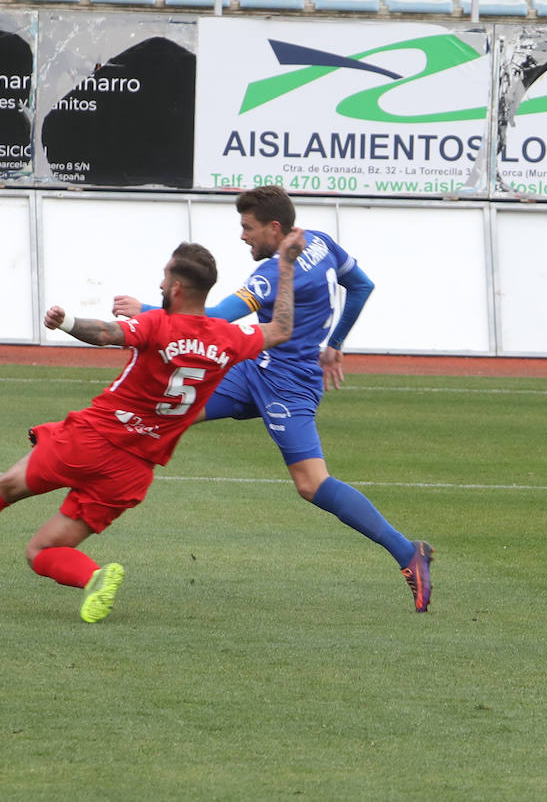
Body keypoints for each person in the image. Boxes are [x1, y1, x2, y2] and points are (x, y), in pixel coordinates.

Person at [0, 231, 305, 623]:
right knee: (42, 550)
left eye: (164, 279)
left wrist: (66, 322)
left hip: (93, 440)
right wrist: (286, 265)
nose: (159, 285)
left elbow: (105, 333)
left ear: (176, 288)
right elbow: (282, 328)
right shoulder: (228, 338)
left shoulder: (158, 324)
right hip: (135, 470)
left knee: (6, 488)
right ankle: (94, 578)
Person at [113, 185, 434, 612]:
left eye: (248, 227)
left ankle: (408, 552)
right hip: (252, 370)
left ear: (274, 228)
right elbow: (361, 285)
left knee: (312, 484)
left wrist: (147, 311)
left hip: (289, 384)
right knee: (170, 410)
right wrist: (335, 344)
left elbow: (213, 319)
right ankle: (68, 443)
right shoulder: (319, 241)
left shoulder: (270, 275)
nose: (243, 236)